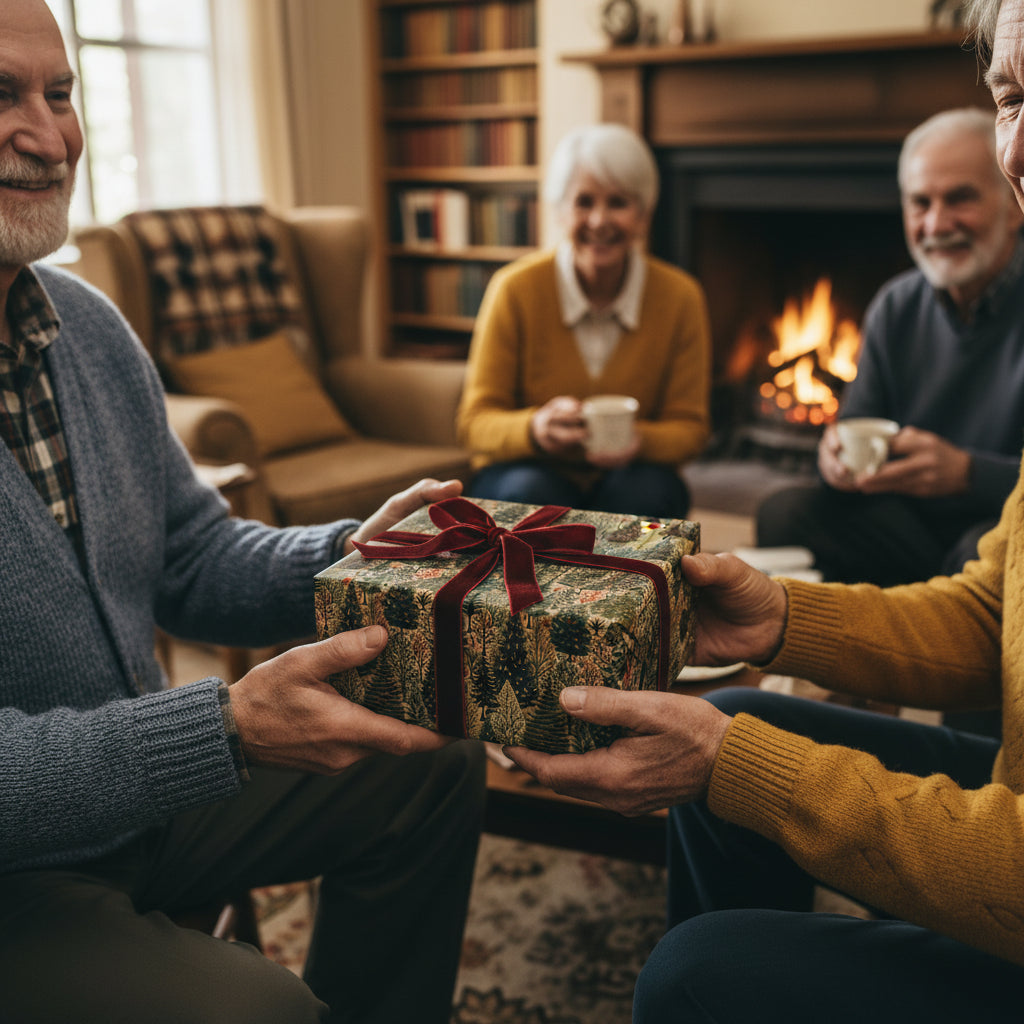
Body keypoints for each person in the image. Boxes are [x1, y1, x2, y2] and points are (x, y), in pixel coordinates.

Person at [503, 9, 1024, 1017]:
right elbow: (989, 612)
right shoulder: (896, 307)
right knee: (730, 711)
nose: (1020, 146)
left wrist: (746, 769)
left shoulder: (675, 301)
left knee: (690, 970)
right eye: (1012, 96)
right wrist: (779, 616)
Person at [0, 3, 485, 1022]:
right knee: (260, 1009)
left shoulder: (83, 325)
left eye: (60, 94)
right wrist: (220, 725)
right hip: (20, 868)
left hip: (142, 801)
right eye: (3, 96)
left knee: (430, 753)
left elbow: (191, 552)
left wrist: (351, 555)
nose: (49, 137)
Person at [757, 106, 1024, 588]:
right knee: (784, 514)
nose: (937, 224)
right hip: (911, 527)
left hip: (1002, 523)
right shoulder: (896, 305)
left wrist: (968, 473)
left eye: (960, 198)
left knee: (985, 552)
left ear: (1013, 202)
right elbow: (857, 431)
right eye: (920, 203)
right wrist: (833, 459)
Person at [456, 123, 711, 521]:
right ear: (559, 211)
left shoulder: (681, 297)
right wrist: (535, 429)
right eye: (584, 201)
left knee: (648, 495)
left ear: (643, 215)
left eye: (618, 203)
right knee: (531, 493)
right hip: (529, 470)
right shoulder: (514, 289)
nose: (599, 220)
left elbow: (691, 429)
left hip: (631, 472)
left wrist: (639, 441)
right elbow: (474, 424)